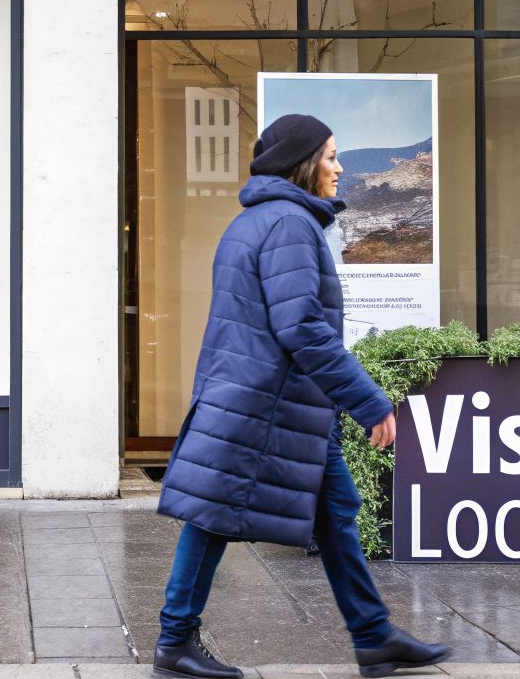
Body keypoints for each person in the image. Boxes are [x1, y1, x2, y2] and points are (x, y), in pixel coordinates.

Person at [153, 114, 451, 679]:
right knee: (214, 517)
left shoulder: (255, 221)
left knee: (334, 513)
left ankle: (373, 637)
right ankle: (174, 644)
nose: (341, 168)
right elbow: (302, 328)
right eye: (332, 156)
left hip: (277, 406)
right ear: (304, 162)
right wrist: (368, 399)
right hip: (265, 407)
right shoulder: (289, 224)